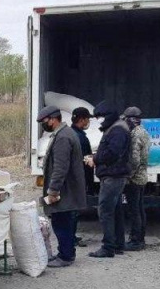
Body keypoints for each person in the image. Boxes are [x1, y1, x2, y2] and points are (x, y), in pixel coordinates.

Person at [37, 105, 86, 267]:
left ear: (53, 119)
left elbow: (60, 167)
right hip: (67, 189)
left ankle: (65, 257)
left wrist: (52, 191)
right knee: (65, 222)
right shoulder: (64, 134)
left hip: (65, 190)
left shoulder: (63, 137)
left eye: (45, 121)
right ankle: (65, 253)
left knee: (62, 222)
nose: (44, 124)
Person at [89, 101, 131, 259]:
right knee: (116, 210)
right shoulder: (115, 128)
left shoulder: (118, 130)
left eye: (100, 117)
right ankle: (118, 244)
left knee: (105, 211)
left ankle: (108, 248)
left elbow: (112, 153)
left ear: (108, 116)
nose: (99, 120)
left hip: (113, 176)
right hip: (114, 175)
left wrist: (95, 159)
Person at [124, 106, 151, 251]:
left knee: (134, 210)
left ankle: (136, 241)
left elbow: (134, 160)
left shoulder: (135, 135)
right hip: (142, 176)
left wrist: (127, 176)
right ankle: (140, 238)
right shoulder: (144, 132)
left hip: (134, 179)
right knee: (139, 209)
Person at [70, 107, 95, 247]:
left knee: (74, 209)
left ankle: (72, 236)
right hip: (79, 178)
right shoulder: (78, 136)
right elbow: (83, 160)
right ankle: (71, 238)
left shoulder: (75, 133)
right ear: (82, 119)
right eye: (87, 119)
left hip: (77, 177)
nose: (88, 121)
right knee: (73, 209)